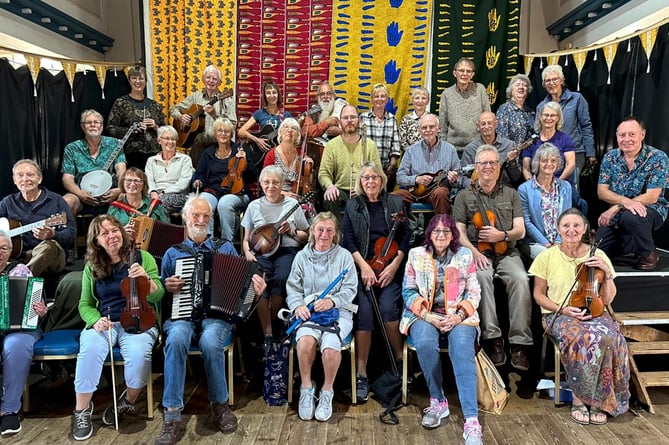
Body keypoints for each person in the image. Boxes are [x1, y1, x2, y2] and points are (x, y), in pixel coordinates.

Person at [155, 196, 266, 445]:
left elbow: (241, 289)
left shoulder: (224, 248)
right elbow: (159, 295)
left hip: (216, 316)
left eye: (206, 216)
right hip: (181, 315)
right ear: (185, 217)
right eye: (196, 215)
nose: (201, 220)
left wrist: (255, 289)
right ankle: (172, 415)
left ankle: (220, 405)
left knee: (210, 342)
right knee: (176, 339)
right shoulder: (173, 253)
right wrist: (166, 285)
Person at [529, 208, 629, 425]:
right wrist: (563, 309)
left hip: (595, 313)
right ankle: (579, 398)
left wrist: (608, 273)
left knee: (611, 338)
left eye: (576, 225)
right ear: (558, 229)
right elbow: (538, 294)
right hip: (559, 314)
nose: (571, 230)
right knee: (582, 339)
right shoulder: (547, 256)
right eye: (566, 226)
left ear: (585, 229)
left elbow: (609, 298)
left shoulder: (598, 255)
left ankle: (602, 400)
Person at [71, 215, 164, 441]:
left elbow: (159, 293)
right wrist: (95, 320)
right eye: (105, 233)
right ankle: (81, 410)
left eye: (114, 230)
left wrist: (147, 280)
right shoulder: (91, 266)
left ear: (122, 232)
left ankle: (127, 401)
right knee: (90, 350)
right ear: (96, 240)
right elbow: (85, 304)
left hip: (139, 319)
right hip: (106, 321)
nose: (111, 236)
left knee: (139, 357)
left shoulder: (143, 257)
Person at [400, 214, 483, 443]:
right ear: (429, 233)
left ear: (453, 235)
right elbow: (408, 292)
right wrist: (426, 314)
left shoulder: (465, 256)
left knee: (462, 350)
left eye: (446, 231)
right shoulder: (416, 255)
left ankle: (471, 421)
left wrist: (458, 316)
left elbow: (474, 293)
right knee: (425, 343)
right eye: (436, 231)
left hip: (458, 315)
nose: (441, 235)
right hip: (424, 314)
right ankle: (438, 400)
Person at [453, 145, 532, 370]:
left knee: (520, 279)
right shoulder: (464, 196)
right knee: (480, 277)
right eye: (483, 163)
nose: (488, 167)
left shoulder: (511, 194)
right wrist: (474, 251)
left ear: (499, 167)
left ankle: (519, 343)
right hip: (478, 252)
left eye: (492, 163)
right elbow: (458, 233)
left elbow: (520, 230)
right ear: (476, 167)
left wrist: (503, 235)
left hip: (508, 251)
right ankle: (493, 339)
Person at [342, 162, 409, 402]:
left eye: (374, 177)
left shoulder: (395, 203)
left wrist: (394, 265)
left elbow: (405, 237)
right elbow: (348, 241)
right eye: (365, 178)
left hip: (389, 269)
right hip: (363, 270)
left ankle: (401, 362)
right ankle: (361, 374)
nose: (370, 181)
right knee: (364, 312)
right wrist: (364, 267)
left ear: (382, 180)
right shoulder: (353, 205)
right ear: (361, 182)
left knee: (389, 308)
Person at [285, 212, 358, 422]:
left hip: (338, 311)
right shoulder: (301, 257)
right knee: (306, 341)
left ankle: (327, 391)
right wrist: (298, 306)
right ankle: (307, 387)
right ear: (312, 232)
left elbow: (350, 289)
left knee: (329, 346)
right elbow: (293, 288)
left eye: (329, 230)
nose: (324, 235)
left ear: (335, 234)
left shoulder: (344, 256)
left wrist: (332, 301)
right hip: (309, 312)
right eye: (319, 229)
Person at [242, 166, 309, 354]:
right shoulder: (253, 206)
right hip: (261, 253)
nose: (271, 186)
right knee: (259, 281)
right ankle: (269, 332)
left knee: (282, 277)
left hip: (287, 250)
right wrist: (247, 252)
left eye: (275, 182)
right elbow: (246, 239)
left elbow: (306, 236)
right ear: (261, 185)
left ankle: (268, 326)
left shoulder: (292, 206)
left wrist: (292, 232)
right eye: (267, 182)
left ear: (282, 185)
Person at [596, 116, 669, 270]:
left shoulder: (658, 157)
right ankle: (630, 245)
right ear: (616, 136)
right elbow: (601, 192)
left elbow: (652, 196)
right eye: (622, 135)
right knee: (599, 252)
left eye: (632, 134)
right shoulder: (610, 157)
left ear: (642, 135)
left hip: (650, 210)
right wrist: (625, 203)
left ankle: (648, 253)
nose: (626, 139)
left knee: (631, 216)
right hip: (618, 214)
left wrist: (618, 206)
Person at [0, 231, 48, 436]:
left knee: (16, 345)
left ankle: (9, 409)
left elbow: (38, 306)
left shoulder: (20, 270)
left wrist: (41, 310)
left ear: (10, 252)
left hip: (21, 329)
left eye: (3, 248)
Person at [0, 159, 75, 276]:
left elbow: (71, 233)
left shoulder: (56, 201)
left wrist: (53, 235)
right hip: (17, 256)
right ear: (15, 180)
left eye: (30, 175)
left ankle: (21, 277)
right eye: (20, 175)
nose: (25, 179)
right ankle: (19, 273)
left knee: (49, 246)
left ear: (39, 178)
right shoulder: (7, 203)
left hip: (50, 257)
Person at [192, 117, 258, 243]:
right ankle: (208, 243)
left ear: (231, 134)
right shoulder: (208, 153)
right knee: (205, 203)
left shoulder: (240, 150)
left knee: (224, 204)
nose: (223, 134)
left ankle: (227, 244)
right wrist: (198, 181)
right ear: (215, 133)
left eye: (226, 131)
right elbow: (200, 173)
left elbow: (252, 177)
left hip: (237, 192)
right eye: (220, 131)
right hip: (213, 190)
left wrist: (246, 163)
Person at [318, 104, 381, 216]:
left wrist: (364, 188)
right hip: (340, 190)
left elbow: (378, 174)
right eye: (345, 118)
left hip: (365, 190)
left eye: (353, 117)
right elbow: (323, 173)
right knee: (329, 198)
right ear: (340, 122)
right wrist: (330, 186)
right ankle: (339, 232)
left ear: (359, 121)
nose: (349, 120)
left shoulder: (370, 145)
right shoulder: (331, 145)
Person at [62, 109, 127, 217]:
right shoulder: (72, 148)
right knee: (67, 202)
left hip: (109, 191)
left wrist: (119, 189)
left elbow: (121, 170)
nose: (93, 125)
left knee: (125, 197)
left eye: (96, 122)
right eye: (88, 122)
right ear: (83, 126)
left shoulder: (114, 143)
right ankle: (69, 234)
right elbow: (67, 178)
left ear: (101, 125)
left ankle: (119, 233)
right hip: (82, 193)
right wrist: (80, 194)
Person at [170, 65, 237, 167]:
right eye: (208, 77)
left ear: (219, 82)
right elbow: (173, 109)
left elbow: (232, 125)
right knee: (196, 180)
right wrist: (181, 117)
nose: (211, 81)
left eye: (215, 79)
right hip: (198, 148)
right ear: (203, 79)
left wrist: (215, 116)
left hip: (219, 148)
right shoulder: (195, 96)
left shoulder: (226, 100)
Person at [395, 113, 462, 215]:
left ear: (438, 129)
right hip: (414, 192)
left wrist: (454, 179)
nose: (428, 130)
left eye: (431, 126)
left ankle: (443, 228)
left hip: (437, 192)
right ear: (419, 131)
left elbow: (460, 177)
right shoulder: (411, 151)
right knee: (393, 198)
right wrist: (416, 179)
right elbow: (399, 177)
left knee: (440, 193)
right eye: (424, 127)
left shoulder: (450, 149)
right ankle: (400, 230)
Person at [536, 64, 596, 172]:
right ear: (544, 85)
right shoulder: (541, 107)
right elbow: (538, 131)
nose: (551, 83)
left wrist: (590, 153)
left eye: (554, 79)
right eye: (547, 81)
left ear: (562, 81)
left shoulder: (576, 99)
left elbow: (586, 126)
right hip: (550, 155)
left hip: (575, 152)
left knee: (570, 187)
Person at [518, 143, 573, 260]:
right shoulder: (524, 189)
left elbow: (567, 218)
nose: (549, 164)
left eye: (553, 160)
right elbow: (527, 222)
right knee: (553, 259)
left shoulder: (565, 187)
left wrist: (558, 242)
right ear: (537, 163)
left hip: (562, 241)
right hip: (536, 243)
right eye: (545, 160)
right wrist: (547, 244)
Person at [107, 65, 165, 169]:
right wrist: (132, 130)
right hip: (130, 156)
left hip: (155, 156)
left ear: (146, 82)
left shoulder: (156, 105)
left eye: (141, 78)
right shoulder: (121, 103)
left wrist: (155, 126)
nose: (138, 81)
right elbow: (111, 129)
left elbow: (166, 131)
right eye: (134, 78)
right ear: (129, 81)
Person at [438, 57, 491, 153]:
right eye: (461, 70)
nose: (465, 74)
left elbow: (488, 118)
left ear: (472, 74)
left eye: (468, 71)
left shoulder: (480, 90)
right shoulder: (446, 94)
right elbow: (443, 125)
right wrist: (443, 149)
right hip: (452, 149)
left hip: (477, 147)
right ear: (455, 73)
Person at [462, 112, 523, 189]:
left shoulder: (509, 146)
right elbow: (463, 177)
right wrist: (474, 185)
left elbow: (516, 178)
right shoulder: (470, 149)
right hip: (478, 192)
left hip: (503, 190)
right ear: (478, 126)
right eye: (483, 124)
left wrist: (512, 163)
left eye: (489, 123)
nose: (486, 126)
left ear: (496, 124)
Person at [359, 83, 401, 191]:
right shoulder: (363, 118)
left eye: (383, 96)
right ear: (372, 99)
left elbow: (396, 143)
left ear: (387, 99)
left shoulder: (392, 119)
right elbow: (358, 141)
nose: (379, 99)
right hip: (366, 167)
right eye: (376, 96)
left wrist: (392, 164)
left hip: (386, 168)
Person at [522, 101, 575, 184]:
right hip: (536, 185)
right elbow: (526, 169)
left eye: (553, 115)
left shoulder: (565, 139)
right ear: (540, 117)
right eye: (546, 115)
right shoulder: (531, 141)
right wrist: (533, 186)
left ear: (558, 118)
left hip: (561, 183)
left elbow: (570, 164)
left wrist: (556, 184)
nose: (549, 118)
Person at [145, 125, 194, 214]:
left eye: (173, 139)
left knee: (161, 202)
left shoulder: (185, 159)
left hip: (178, 195)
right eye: (167, 139)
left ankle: (156, 227)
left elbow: (184, 182)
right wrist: (153, 191)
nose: (170, 142)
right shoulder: (151, 160)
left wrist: (164, 192)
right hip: (154, 195)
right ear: (159, 141)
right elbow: (149, 180)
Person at [107, 168, 168, 236]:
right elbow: (108, 234)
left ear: (143, 185)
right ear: (122, 183)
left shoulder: (156, 207)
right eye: (128, 180)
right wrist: (122, 232)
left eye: (137, 181)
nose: (132, 184)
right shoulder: (114, 209)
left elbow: (166, 231)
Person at [238, 80, 292, 154]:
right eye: (268, 93)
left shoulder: (286, 116)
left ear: (278, 94)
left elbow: (293, 136)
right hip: (262, 154)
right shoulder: (259, 113)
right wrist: (257, 140)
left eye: (274, 92)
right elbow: (241, 132)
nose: (272, 96)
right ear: (265, 96)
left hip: (280, 154)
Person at [496, 74, 535, 146]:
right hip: (509, 153)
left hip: (527, 155)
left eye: (525, 85)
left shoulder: (530, 112)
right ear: (511, 90)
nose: (521, 87)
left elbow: (534, 135)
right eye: (517, 85)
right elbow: (502, 137)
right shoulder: (504, 109)